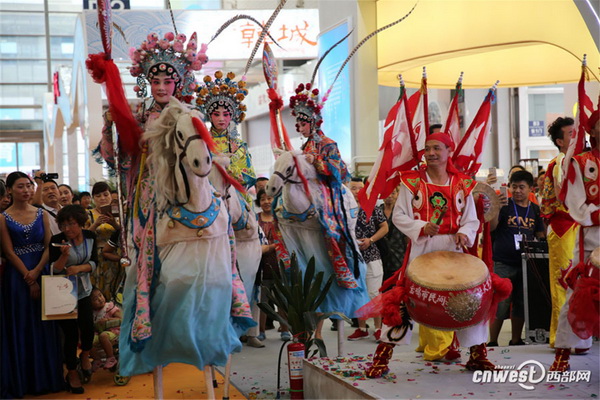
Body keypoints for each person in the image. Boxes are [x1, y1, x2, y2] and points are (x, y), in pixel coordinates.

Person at [366, 132, 494, 378]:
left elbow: (471, 219)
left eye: (437, 148)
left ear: (449, 151)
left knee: (469, 298)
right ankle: (382, 356)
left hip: (455, 252)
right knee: (404, 299)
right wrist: (421, 227)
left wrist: (465, 234)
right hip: (422, 247)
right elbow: (399, 216)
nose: (432, 153)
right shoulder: (412, 183)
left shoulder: (462, 184)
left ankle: (478, 354)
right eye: (427, 149)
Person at [0, 172, 64, 398]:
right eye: (20, 187)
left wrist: (36, 272)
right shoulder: (3, 217)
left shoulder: (42, 215)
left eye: (29, 185)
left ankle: (46, 378)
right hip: (16, 277)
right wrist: (27, 276)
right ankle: (24, 381)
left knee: (44, 324)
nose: (26, 190)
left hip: (42, 269)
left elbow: (49, 245)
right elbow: (7, 251)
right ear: (9, 190)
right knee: (22, 325)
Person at [550, 110, 599, 371]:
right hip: (591, 240)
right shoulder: (580, 162)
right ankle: (562, 353)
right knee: (577, 296)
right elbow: (575, 205)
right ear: (592, 131)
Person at [488, 170, 545, 346]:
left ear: (530, 189)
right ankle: (493, 341)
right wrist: (495, 207)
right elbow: (492, 227)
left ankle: (515, 339)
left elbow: (540, 235)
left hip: (526, 263)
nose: (518, 191)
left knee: (521, 302)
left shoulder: (535, 210)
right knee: (500, 302)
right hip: (503, 261)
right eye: (514, 187)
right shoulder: (504, 206)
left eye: (522, 187)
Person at [50, 205, 98, 393]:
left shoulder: (90, 237)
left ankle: (85, 355)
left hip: (84, 290)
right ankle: (71, 372)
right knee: (70, 334)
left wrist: (79, 268)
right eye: (63, 225)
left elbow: (95, 262)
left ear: (80, 223)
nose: (67, 229)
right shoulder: (57, 240)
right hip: (63, 294)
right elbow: (54, 269)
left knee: (87, 327)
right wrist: (63, 257)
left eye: (71, 224)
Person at [540, 117, 578, 348]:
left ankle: (579, 334)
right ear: (560, 141)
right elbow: (563, 195)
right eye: (571, 133)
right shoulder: (560, 163)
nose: (578, 136)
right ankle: (562, 337)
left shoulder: (583, 160)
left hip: (580, 227)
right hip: (564, 227)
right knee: (564, 282)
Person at [196, 70, 257, 191]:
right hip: (204, 192)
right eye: (216, 114)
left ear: (232, 116)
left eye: (226, 114)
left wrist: (226, 165)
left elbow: (248, 177)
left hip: (232, 192)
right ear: (209, 116)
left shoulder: (238, 146)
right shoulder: (200, 143)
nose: (221, 119)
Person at [347, 178, 388, 342]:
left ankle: (378, 328)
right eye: (353, 188)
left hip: (372, 255)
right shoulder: (344, 208)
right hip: (352, 257)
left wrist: (370, 240)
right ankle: (361, 328)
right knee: (358, 292)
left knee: (374, 292)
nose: (356, 191)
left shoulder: (373, 207)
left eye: (359, 188)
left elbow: (385, 227)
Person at [255, 188, 291, 342]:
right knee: (262, 301)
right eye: (262, 199)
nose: (266, 202)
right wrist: (272, 247)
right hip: (261, 267)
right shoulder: (255, 219)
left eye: (269, 198)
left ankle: (285, 329)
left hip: (280, 266)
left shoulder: (281, 219)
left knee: (282, 299)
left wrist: (269, 248)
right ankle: (260, 331)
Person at [87, 181, 120, 301]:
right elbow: (84, 235)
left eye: (106, 195)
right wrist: (96, 224)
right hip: (97, 256)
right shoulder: (89, 214)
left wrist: (114, 223)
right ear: (93, 198)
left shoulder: (119, 214)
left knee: (116, 286)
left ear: (111, 196)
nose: (102, 198)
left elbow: (125, 234)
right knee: (99, 288)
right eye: (98, 196)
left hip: (116, 255)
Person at [378, 185, 408, 282]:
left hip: (398, 255)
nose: (389, 196)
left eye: (393, 193)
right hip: (381, 256)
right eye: (386, 193)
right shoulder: (377, 211)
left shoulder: (402, 213)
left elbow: (407, 236)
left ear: (397, 195)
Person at [90, 287, 121, 370]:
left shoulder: (109, 307)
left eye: (100, 295)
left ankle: (111, 358)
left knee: (103, 336)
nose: (100, 299)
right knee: (87, 340)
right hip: (99, 333)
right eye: (95, 299)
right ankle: (97, 359)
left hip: (114, 332)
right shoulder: (92, 313)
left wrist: (108, 320)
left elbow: (122, 319)